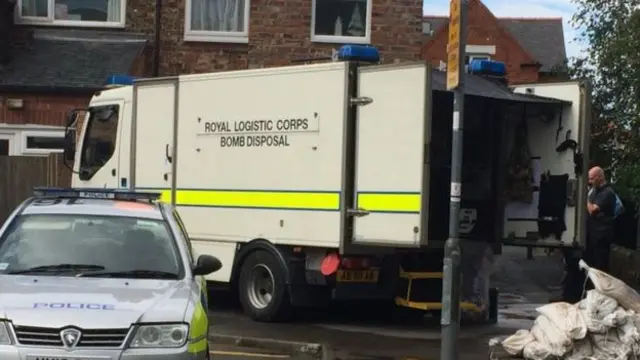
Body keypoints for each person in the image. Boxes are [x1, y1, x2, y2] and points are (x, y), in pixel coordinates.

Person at [559, 166, 617, 303]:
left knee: (599, 268)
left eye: (591, 178)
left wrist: (583, 197)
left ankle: (600, 297)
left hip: (601, 237)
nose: (589, 181)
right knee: (587, 267)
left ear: (599, 177)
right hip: (592, 236)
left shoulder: (607, 193)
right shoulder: (595, 191)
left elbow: (592, 210)